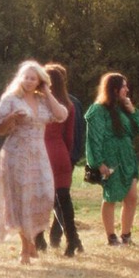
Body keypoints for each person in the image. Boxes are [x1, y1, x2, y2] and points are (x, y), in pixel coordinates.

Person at [0, 60, 68, 264]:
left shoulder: (43, 100)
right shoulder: (11, 99)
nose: (30, 81)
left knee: (44, 196)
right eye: (26, 77)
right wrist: (11, 118)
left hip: (39, 153)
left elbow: (61, 115)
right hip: (16, 153)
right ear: (20, 78)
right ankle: (25, 248)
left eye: (34, 78)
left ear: (40, 80)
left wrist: (47, 92)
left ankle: (31, 240)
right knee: (21, 199)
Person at [85, 72, 139, 246]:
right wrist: (97, 162)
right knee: (110, 196)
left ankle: (126, 235)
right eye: (123, 86)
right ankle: (111, 236)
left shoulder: (123, 108)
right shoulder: (98, 110)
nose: (127, 89)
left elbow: (136, 131)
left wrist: (133, 112)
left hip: (127, 157)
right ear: (114, 89)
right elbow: (94, 138)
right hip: (110, 158)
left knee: (132, 196)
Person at [41, 63, 82, 256]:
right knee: (63, 199)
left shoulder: (39, 103)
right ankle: (72, 239)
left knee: (40, 198)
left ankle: (39, 240)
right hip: (60, 153)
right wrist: (66, 154)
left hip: (43, 152)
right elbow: (69, 137)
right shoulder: (68, 105)